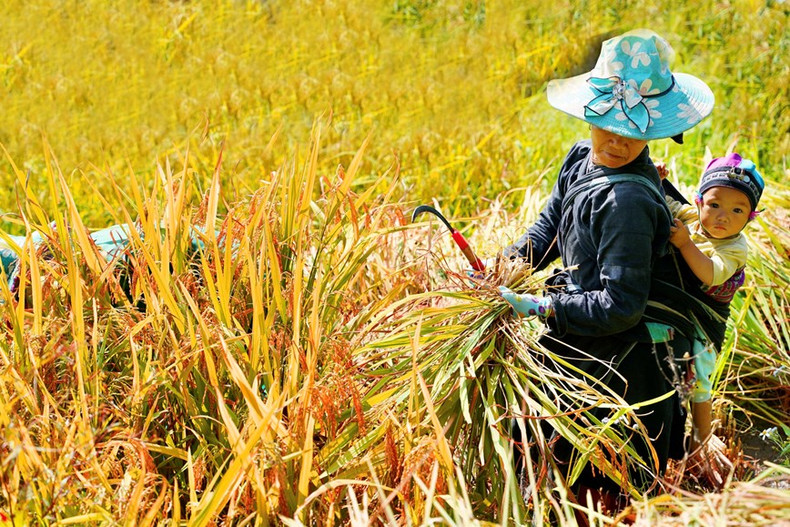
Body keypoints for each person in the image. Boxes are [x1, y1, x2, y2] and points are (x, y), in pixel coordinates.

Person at [496, 29, 720, 505]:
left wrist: (540, 306)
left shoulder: (627, 202)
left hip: (616, 370)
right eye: (606, 124)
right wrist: (504, 269)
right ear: (588, 115)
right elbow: (547, 233)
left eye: (633, 131)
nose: (617, 142)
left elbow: (620, 307)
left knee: (599, 496)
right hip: (578, 333)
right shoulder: (581, 159)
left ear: (653, 131)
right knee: (542, 475)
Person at [660, 153, 764, 476]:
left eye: (737, 211)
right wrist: (657, 178)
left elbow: (711, 274)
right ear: (699, 201)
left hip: (707, 319)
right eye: (715, 205)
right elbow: (666, 204)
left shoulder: (736, 247)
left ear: (749, 218)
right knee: (678, 372)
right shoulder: (693, 219)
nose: (723, 217)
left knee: (700, 374)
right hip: (678, 308)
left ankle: (702, 435)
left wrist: (686, 244)